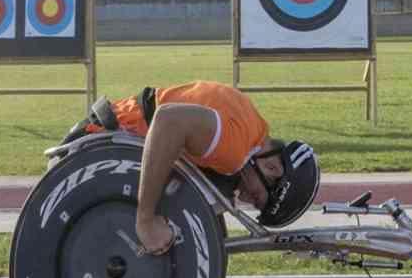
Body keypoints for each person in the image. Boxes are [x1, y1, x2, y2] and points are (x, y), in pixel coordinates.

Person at [72, 81, 320, 255]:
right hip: (93, 145)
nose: (244, 197)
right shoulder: (234, 149)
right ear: (273, 168)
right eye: (256, 198)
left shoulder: (252, 128)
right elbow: (168, 121)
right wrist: (145, 218)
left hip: (102, 137)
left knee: (219, 196)